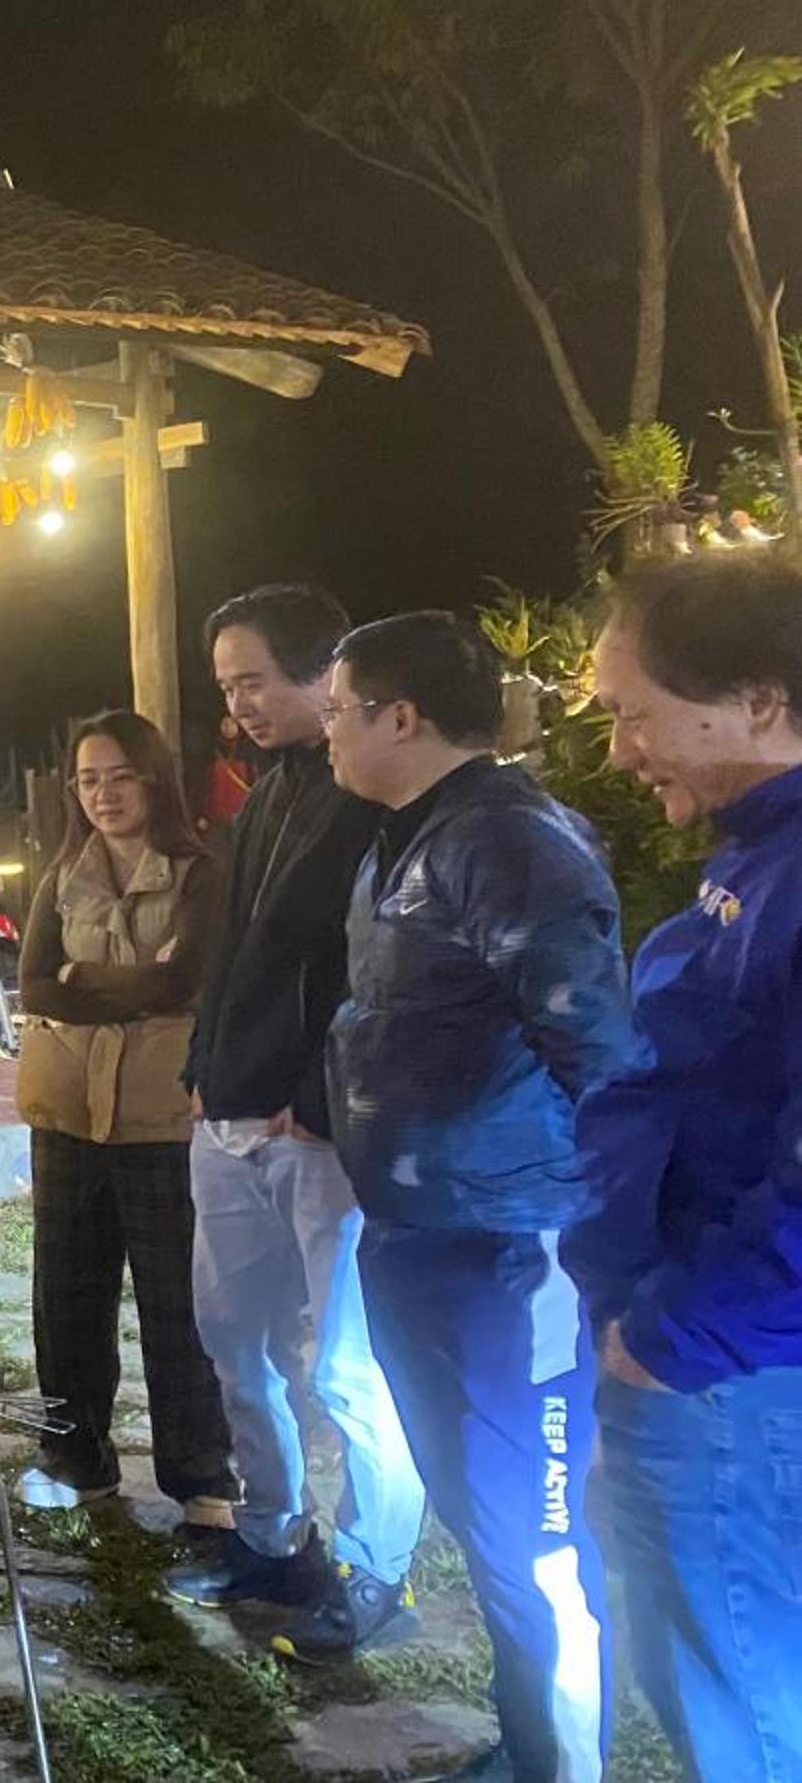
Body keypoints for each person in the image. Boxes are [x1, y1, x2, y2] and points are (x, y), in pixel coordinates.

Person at [323, 611, 648, 1783]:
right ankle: (529, 1743)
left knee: (535, 1535)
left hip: (511, 1251)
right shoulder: (413, 839)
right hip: (420, 1235)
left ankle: (564, 1765)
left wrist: (608, 1249)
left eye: (339, 710)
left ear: (401, 717)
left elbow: (601, 1060)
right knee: (482, 1516)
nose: (326, 731)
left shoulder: (509, 843)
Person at [579, 555, 802, 1779]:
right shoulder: (756, 857)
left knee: (740, 1694)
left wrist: (672, 1339)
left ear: (757, 702)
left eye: (635, 713)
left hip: (734, 1375)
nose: (621, 750)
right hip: (712, 1357)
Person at [172, 585, 426, 1657]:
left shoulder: (374, 802)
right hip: (229, 1119)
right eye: (227, 686)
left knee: (350, 1368)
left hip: (318, 1136)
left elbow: (378, 975)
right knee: (239, 1346)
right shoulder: (267, 792)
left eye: (255, 682)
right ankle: (273, 1538)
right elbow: (238, 950)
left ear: (326, 676)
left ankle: (377, 1569)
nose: (239, 705)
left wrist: (320, 1104)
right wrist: (203, 1066)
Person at [10, 711, 238, 1534]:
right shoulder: (63, 874)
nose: (102, 794)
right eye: (88, 779)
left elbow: (186, 983)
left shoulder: (200, 873)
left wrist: (87, 978)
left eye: (119, 776)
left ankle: (201, 1479)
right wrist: (133, 981)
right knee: (66, 1294)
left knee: (179, 1303)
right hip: (67, 1110)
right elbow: (36, 985)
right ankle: (76, 1459)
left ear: (153, 779)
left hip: (160, 1117)